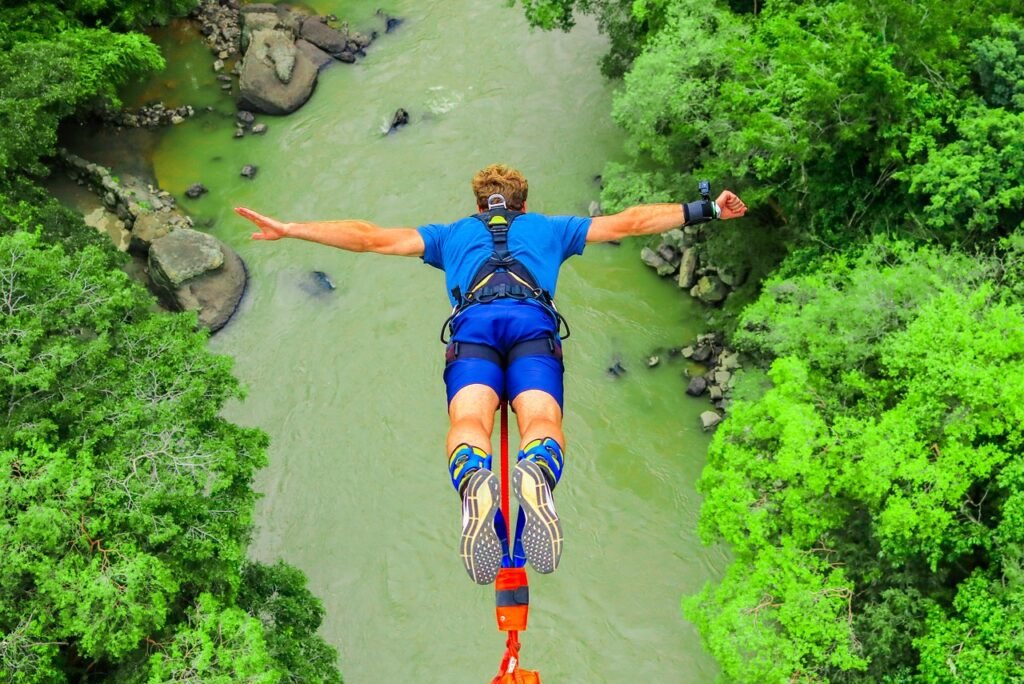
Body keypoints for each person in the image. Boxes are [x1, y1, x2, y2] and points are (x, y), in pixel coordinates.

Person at [235, 164, 747, 585]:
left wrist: (290, 228)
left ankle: (473, 478)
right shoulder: (551, 228)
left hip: (474, 330)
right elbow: (630, 222)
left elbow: (368, 238)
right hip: (531, 327)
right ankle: (538, 473)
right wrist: (703, 209)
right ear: (524, 202)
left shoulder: (448, 235)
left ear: (479, 205)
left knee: (470, 423)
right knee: (541, 418)